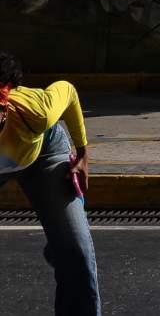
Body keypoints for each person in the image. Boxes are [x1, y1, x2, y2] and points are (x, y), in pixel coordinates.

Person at [0, 52, 101, 314]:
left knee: (76, 253)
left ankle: (63, 251)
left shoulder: (35, 110)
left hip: (44, 150)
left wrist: (82, 153)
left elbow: (67, 92)